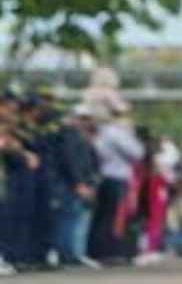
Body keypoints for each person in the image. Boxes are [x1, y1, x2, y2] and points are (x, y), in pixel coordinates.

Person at [90, 97, 145, 265]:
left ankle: (101, 252)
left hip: (105, 177)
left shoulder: (100, 132)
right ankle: (111, 252)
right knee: (115, 218)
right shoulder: (115, 132)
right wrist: (129, 133)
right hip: (117, 177)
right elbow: (137, 152)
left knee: (104, 216)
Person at [52, 104, 101, 270]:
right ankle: (66, 256)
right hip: (69, 185)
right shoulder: (69, 135)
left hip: (81, 184)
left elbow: (89, 162)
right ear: (74, 118)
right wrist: (78, 183)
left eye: (88, 119)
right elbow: (70, 162)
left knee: (77, 220)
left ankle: (74, 255)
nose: (86, 122)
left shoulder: (82, 137)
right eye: (83, 119)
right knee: (68, 220)